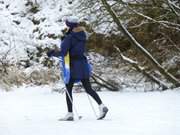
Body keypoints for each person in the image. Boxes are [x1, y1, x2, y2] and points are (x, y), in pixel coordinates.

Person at [47, 16, 108, 121]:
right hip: (83, 64)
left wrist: (52, 53)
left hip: (73, 66)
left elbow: (63, 53)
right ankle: (102, 106)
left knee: (68, 88)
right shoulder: (82, 35)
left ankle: (70, 114)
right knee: (88, 88)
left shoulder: (69, 38)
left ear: (69, 26)